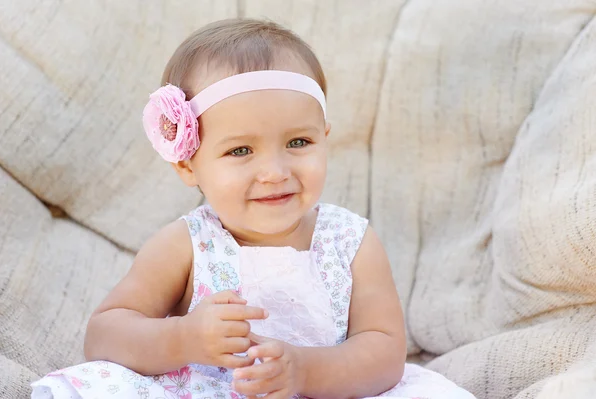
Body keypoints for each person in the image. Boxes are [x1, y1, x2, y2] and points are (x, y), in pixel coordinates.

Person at [31, 18, 475, 399]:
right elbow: (105, 334)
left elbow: (383, 354)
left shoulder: (351, 241)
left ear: (325, 136)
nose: (275, 171)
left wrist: (302, 370)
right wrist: (182, 338)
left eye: (298, 142)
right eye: (241, 150)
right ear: (188, 164)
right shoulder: (186, 243)